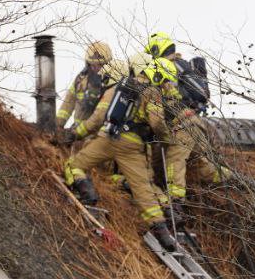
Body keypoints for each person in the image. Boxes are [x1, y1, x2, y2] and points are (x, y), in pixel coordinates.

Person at [64, 55, 179, 251]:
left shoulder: (124, 84)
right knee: (143, 189)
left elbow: (100, 117)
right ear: (160, 75)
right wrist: (167, 139)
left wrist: (74, 134)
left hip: (108, 139)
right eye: (167, 80)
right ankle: (162, 233)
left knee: (75, 165)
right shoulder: (153, 92)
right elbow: (157, 122)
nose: (167, 84)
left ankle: (87, 192)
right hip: (131, 147)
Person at [144, 31, 231, 223]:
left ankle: (176, 206)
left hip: (182, 125)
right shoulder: (183, 66)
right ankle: (233, 181)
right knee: (203, 166)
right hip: (194, 123)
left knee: (174, 162)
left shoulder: (168, 68)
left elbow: (162, 102)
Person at [55, 41, 114, 132]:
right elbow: (68, 104)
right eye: (92, 65)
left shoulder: (113, 82)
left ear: (108, 64)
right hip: (77, 131)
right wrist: (57, 125)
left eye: (100, 65)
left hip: (100, 134)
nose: (95, 68)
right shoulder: (80, 80)